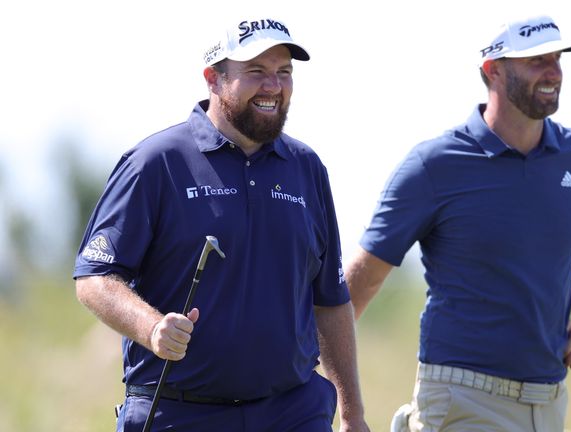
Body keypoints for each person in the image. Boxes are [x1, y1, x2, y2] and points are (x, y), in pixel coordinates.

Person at [344, 14, 571, 432]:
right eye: (536, 61)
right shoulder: (434, 165)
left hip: (549, 402)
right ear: (493, 71)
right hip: (460, 398)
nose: (553, 72)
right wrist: (321, 382)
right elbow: (363, 279)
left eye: (557, 58)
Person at [73, 16, 369, 432]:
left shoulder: (307, 169)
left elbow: (331, 300)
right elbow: (95, 277)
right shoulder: (156, 163)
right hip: (180, 412)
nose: (273, 86)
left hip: (292, 412)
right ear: (213, 79)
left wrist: (353, 416)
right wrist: (152, 327)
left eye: (284, 73)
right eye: (256, 72)